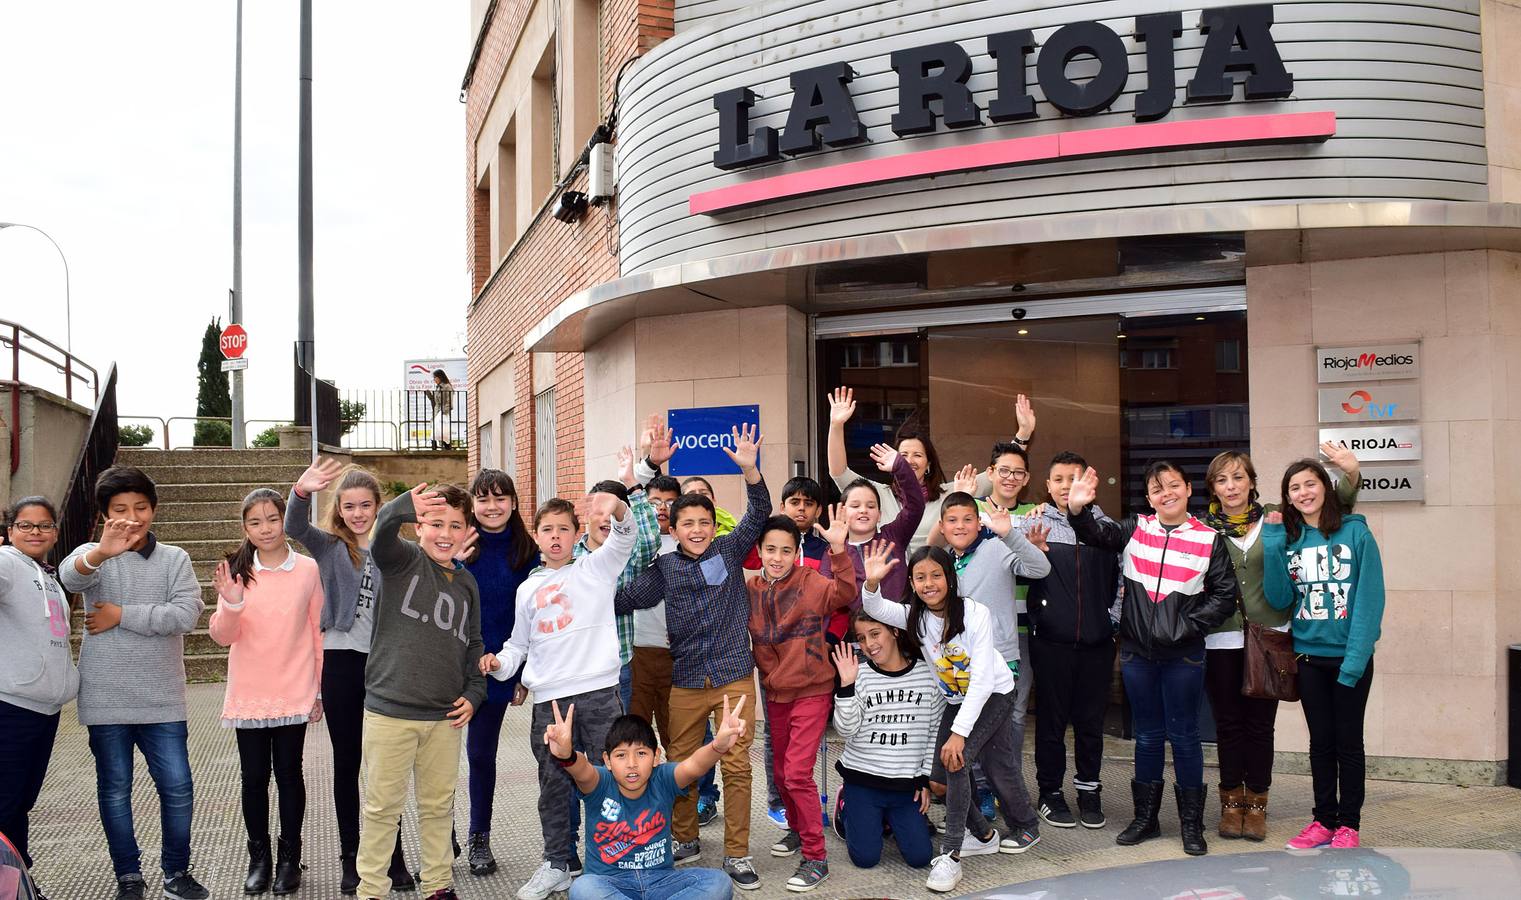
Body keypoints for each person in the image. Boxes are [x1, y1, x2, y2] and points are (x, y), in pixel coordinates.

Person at [480, 449, 642, 900]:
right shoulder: (528, 588)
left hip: (599, 694)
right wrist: (500, 665)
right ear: (536, 536)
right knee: (554, 785)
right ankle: (557, 863)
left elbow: (626, 537)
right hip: (549, 702)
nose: (555, 537)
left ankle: (613, 862)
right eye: (547, 530)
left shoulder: (597, 568)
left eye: (564, 530)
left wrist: (620, 506)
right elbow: (518, 647)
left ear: (576, 535)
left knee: (610, 779)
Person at [617, 424, 770, 890]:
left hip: (732, 677)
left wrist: (750, 470)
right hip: (684, 680)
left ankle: (738, 853)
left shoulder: (729, 546)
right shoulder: (662, 567)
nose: (697, 530)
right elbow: (624, 599)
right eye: (688, 523)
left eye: (704, 521)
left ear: (713, 523)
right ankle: (683, 839)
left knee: (737, 766)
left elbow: (760, 512)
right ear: (675, 528)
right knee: (682, 762)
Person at [1064, 462, 1237, 857]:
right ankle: (1147, 819)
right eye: (1157, 489)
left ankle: (1192, 825)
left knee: (1186, 737)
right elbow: (1096, 533)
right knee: (1147, 737)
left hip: (1185, 656)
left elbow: (1224, 596)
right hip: (1139, 654)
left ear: (1188, 488)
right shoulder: (1135, 529)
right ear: (1149, 497)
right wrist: (1078, 510)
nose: (1166, 494)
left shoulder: (1210, 538)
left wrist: (1188, 626)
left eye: (1173, 485)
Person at [60, 466, 209, 900]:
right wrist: (102, 553)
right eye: (120, 509)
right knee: (115, 789)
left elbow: (185, 615)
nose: (132, 517)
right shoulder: (94, 554)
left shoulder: (175, 558)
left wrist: (120, 615)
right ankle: (128, 876)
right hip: (105, 696)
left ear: (154, 509)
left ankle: (176, 872)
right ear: (105, 514)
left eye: (141, 508)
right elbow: (70, 577)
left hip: (162, 697)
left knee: (178, 786)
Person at [1202, 444, 1360, 842]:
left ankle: (1256, 805)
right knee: (1227, 726)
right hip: (1220, 639)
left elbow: (1329, 507)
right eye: (1222, 479)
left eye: (1238, 477)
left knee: (1259, 726)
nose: (1231, 485)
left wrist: (1351, 474)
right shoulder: (1201, 527)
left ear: (1252, 482)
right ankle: (1231, 804)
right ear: (1212, 489)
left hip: (1271, 640)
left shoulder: (1277, 517)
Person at [860, 542, 1029, 894]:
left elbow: (982, 679)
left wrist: (959, 734)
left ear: (949, 579)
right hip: (959, 698)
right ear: (912, 582)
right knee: (943, 778)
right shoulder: (914, 616)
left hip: (995, 692)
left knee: (961, 761)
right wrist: (872, 582)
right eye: (919, 577)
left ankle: (952, 853)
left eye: (936, 575)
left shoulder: (974, 613)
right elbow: (873, 606)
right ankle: (983, 834)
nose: (928, 583)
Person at [286, 459, 416, 893]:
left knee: (386, 768)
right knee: (348, 765)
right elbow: (294, 526)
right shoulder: (329, 547)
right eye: (349, 506)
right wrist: (302, 491)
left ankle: (392, 857)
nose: (357, 513)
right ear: (339, 510)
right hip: (342, 664)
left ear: (379, 507)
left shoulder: (394, 551)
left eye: (366, 505)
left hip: (386, 664)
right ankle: (351, 858)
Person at [354, 483, 485, 900]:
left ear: (467, 532)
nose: (445, 533)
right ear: (418, 526)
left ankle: (438, 886)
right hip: (389, 713)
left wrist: (475, 692)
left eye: (456, 525)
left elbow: (475, 644)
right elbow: (380, 540)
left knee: (438, 808)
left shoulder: (468, 585)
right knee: (381, 811)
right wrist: (399, 508)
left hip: (443, 718)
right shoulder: (402, 561)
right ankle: (372, 890)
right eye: (435, 522)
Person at [1264, 458, 1385, 851]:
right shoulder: (1291, 538)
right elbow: (1280, 599)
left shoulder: (1356, 535)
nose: (1303, 493)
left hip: (1350, 657)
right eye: (1294, 488)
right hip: (1309, 658)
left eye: (1310, 484)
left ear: (1326, 488)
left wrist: (1354, 661)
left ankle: (1349, 824)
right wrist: (1271, 544)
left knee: (1349, 742)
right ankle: (1322, 821)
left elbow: (1370, 601)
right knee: (1320, 744)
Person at [209, 489, 324, 894]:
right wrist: (231, 603)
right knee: (253, 777)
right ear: (245, 527)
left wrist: (319, 691)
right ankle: (259, 858)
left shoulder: (308, 569)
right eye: (255, 522)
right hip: (250, 690)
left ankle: (290, 859)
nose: (265, 529)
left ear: (283, 520)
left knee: (290, 775)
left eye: (272, 519)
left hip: (294, 686)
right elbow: (223, 637)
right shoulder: (235, 569)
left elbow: (316, 631)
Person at [746, 512, 855, 892]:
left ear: (797, 553)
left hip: (812, 688)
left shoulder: (811, 582)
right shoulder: (753, 589)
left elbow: (844, 594)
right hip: (775, 693)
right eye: (770, 549)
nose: (777, 557)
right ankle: (796, 829)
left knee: (796, 773)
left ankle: (816, 856)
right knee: (780, 774)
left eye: (786, 550)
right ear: (759, 551)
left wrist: (839, 551)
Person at [935, 490, 1049, 847]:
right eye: (952, 520)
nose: (960, 526)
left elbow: (1039, 567)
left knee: (964, 752)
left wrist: (1008, 534)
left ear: (979, 521)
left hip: (999, 671)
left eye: (968, 519)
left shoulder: (996, 549)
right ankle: (1014, 822)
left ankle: (974, 831)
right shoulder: (944, 562)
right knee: (994, 756)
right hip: (960, 672)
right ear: (941, 526)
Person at [1021, 451, 1121, 830]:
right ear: (1047, 486)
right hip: (1051, 643)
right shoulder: (1034, 523)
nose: (1066, 486)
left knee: (1090, 723)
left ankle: (1089, 791)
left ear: (1089, 483)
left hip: (1097, 645)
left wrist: (1110, 622)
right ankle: (1050, 793)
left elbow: (1123, 582)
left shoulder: (1107, 528)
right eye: (1059, 479)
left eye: (1073, 478)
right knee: (1050, 723)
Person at [556, 705, 742, 900]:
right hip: (610, 882)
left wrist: (718, 747)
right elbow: (582, 771)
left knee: (719, 883)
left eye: (641, 753)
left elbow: (694, 766)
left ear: (656, 757)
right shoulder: (600, 782)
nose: (632, 763)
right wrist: (567, 755)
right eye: (621, 755)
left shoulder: (664, 778)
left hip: (662, 881)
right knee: (582, 888)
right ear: (607, 761)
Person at [827, 387, 1036, 552]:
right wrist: (836, 425)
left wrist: (1023, 434)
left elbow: (1000, 473)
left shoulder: (950, 494)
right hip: (888, 586)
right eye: (903, 456)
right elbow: (839, 472)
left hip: (934, 584)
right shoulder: (877, 495)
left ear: (928, 465)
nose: (910, 462)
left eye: (917, 455)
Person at [460, 468, 539, 876]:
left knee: (480, 755)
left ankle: (479, 838)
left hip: (497, 670)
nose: (492, 507)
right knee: (432, 758)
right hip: (449, 667)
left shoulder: (529, 551)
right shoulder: (460, 543)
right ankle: (443, 836)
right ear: (473, 504)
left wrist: (521, 673)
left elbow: (535, 621)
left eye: (500, 498)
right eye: (483, 499)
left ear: (513, 502)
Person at [0, 496, 77, 900]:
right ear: (9, 531)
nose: (35, 532)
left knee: (19, 803)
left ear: (55, 532)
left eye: (44, 525)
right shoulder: (7, 563)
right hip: (11, 706)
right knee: (7, 803)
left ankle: (18, 884)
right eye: (26, 525)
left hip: (42, 710)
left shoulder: (45, 573)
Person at [830, 611, 944, 871]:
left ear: (894, 631)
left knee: (920, 857)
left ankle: (887, 819)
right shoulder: (860, 675)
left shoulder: (928, 675)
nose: (869, 645)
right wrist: (846, 685)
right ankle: (845, 805)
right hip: (862, 780)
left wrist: (924, 779)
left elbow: (933, 733)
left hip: (905, 786)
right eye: (861, 638)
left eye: (875, 633)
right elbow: (845, 730)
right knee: (866, 859)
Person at [819, 441, 925, 607]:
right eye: (855, 506)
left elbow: (915, 506)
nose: (863, 510)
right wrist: (839, 551)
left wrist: (900, 466)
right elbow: (829, 599)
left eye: (870, 506)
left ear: (879, 515)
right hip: (858, 630)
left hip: (898, 628)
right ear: (844, 512)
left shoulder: (893, 535)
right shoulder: (832, 552)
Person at [428, 368, 455, 449]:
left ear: (440, 377)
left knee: (443, 430)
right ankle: (434, 446)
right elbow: (436, 402)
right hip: (437, 410)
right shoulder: (437, 387)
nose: (434, 380)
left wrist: (444, 412)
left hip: (443, 411)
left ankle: (446, 446)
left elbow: (448, 400)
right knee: (435, 428)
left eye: (435, 377)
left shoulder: (447, 386)